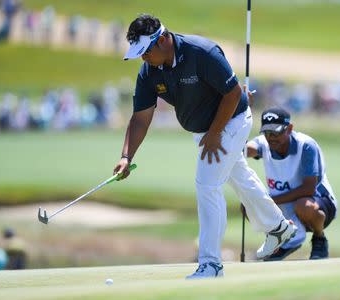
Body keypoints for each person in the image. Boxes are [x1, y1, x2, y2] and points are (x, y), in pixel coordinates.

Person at [112, 14, 297, 279]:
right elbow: (141, 118)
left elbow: (233, 94)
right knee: (240, 176)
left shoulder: (202, 52)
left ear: (163, 40)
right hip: (205, 131)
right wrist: (126, 156)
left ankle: (211, 264)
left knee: (207, 184)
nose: (143, 59)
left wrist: (214, 133)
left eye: (146, 52)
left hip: (231, 120)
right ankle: (279, 228)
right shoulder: (149, 72)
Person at [245, 107, 338, 260]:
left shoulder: (306, 146)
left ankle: (319, 239)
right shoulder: (264, 143)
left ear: (289, 129)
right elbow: (248, 149)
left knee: (303, 205)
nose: (271, 137)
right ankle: (279, 240)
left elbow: (309, 188)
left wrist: (269, 202)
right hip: (284, 203)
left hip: (317, 202)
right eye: (267, 133)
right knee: (248, 206)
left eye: (276, 132)